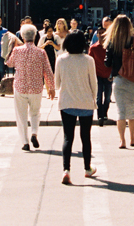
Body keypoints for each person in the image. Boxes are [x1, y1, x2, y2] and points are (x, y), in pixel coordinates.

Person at [55, 29, 98, 184]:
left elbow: (57, 83)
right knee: (85, 137)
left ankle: (66, 170)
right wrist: (94, 99)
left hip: (67, 102)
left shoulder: (61, 59)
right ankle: (87, 168)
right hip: (86, 102)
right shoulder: (88, 60)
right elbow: (94, 83)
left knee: (68, 137)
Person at [5, 23, 55, 150]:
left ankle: (25, 142)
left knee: (21, 115)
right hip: (36, 87)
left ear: (22, 35)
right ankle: (34, 132)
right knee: (35, 112)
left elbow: (9, 63)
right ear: (35, 36)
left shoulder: (17, 51)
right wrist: (51, 87)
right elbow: (48, 71)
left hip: (20, 86)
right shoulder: (41, 52)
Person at [103, 14, 134, 149]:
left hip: (119, 79)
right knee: (132, 109)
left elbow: (107, 63)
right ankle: (133, 138)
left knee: (120, 111)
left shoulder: (112, 42)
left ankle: (122, 141)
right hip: (133, 79)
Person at [88, 25, 113, 125]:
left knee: (107, 97)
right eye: (100, 33)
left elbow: (113, 61)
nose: (102, 35)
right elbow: (90, 62)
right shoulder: (93, 48)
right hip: (97, 75)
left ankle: (105, 112)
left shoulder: (110, 47)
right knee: (98, 98)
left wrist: (112, 74)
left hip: (108, 75)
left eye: (103, 33)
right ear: (97, 35)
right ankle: (100, 116)